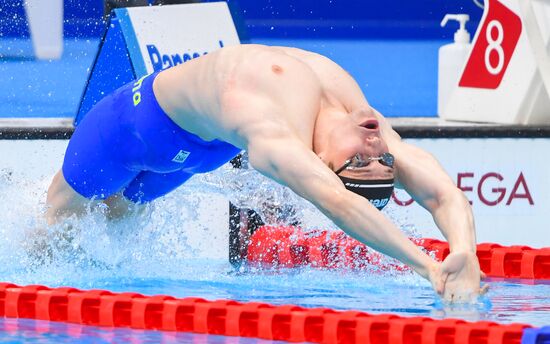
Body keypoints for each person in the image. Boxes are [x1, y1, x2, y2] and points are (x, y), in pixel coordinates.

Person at [46, 44, 485, 302]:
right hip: (134, 130)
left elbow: (337, 201)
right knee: (57, 222)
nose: (378, 150)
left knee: (112, 231)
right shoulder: (355, 113)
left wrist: (442, 264)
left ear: (322, 165)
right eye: (383, 162)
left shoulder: (279, 141)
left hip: (198, 147)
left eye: (363, 162)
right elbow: (439, 192)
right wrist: (450, 259)